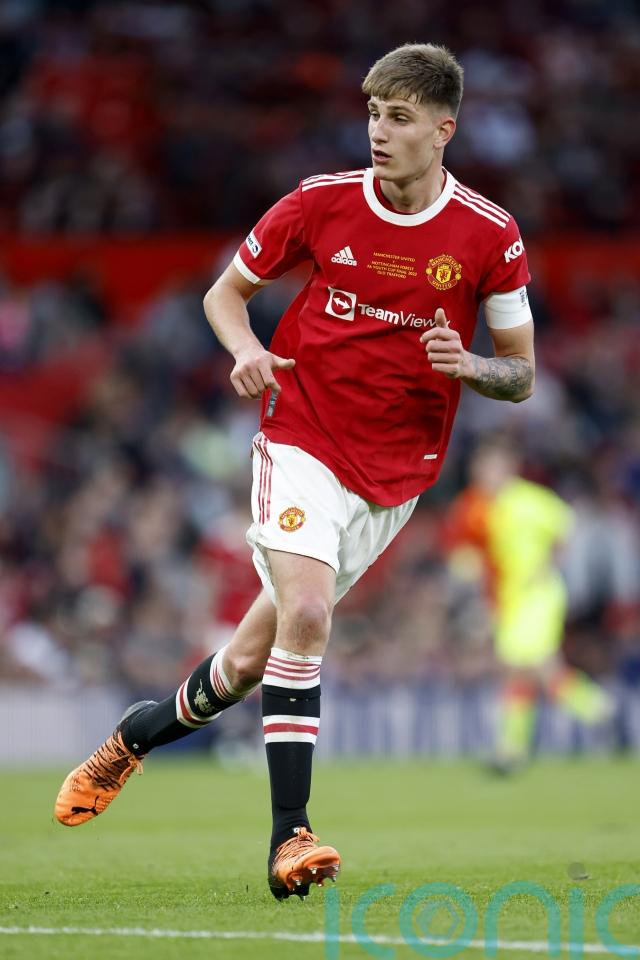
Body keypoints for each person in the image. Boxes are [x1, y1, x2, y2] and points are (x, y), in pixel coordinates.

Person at [54, 43, 535, 899]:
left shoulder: (489, 235)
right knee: (308, 615)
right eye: (372, 114)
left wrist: (468, 364)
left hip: (395, 478)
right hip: (301, 436)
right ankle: (291, 835)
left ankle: (135, 736)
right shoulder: (320, 202)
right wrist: (246, 350)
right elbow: (224, 294)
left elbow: (521, 372)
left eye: (398, 118)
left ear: (443, 130)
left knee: (248, 662)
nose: (378, 132)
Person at [444, 438, 613, 772]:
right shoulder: (473, 507)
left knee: (527, 666)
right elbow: (464, 551)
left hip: (538, 594)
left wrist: (548, 563)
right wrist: (467, 570)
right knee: (528, 671)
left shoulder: (529, 500)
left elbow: (566, 525)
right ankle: (595, 710)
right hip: (507, 600)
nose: (486, 474)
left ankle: (514, 748)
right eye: (481, 468)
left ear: (508, 468)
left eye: (492, 467)